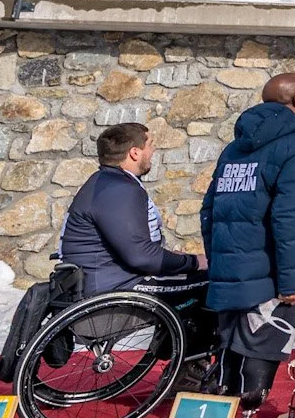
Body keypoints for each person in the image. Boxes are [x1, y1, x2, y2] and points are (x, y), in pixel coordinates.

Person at [201, 73, 295, 418]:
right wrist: (291, 279)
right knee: (259, 357)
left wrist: (220, 261)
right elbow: (291, 217)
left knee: (227, 355)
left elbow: (209, 210)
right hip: (271, 277)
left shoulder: (234, 148)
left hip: (230, 272)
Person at [59, 122, 206, 296]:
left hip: (101, 281)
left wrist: (176, 258)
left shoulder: (105, 182)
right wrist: (194, 262)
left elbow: (135, 248)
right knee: (216, 280)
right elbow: (141, 257)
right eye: (150, 145)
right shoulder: (119, 190)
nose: (153, 151)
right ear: (135, 153)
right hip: (114, 289)